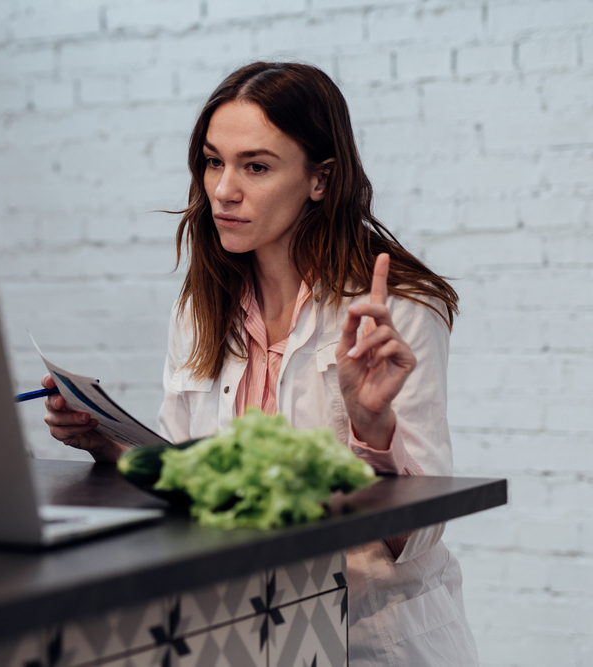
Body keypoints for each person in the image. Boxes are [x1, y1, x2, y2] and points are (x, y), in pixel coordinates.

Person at [41, 62, 477, 666]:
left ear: (321, 179)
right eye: (213, 161)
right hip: (236, 630)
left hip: (368, 640)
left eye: (256, 166)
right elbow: (194, 480)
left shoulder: (394, 309)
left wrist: (374, 434)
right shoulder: (199, 308)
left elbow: (420, 534)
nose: (223, 189)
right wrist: (107, 445)